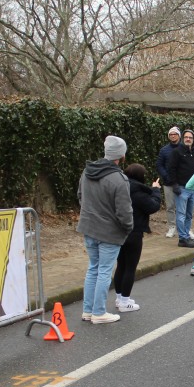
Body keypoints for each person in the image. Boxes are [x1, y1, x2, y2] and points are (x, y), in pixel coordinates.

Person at [78, 135, 134, 324]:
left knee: (93, 268)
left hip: (89, 227)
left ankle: (88, 310)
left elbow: (80, 196)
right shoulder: (119, 179)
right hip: (109, 232)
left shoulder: (87, 172)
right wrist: (128, 228)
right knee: (104, 271)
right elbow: (124, 211)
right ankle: (99, 312)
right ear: (121, 156)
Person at [113, 163, 161, 312]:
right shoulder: (139, 193)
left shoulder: (120, 188)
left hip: (119, 231)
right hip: (134, 232)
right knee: (130, 267)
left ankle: (119, 298)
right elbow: (153, 206)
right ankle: (125, 301)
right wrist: (156, 190)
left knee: (121, 265)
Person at [168, 129, 194, 247]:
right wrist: (174, 184)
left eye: (190, 137)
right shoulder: (176, 152)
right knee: (181, 214)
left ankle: (187, 236)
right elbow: (171, 169)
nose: (188, 139)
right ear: (182, 139)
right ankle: (182, 239)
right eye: (186, 137)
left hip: (193, 189)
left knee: (189, 215)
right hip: (181, 188)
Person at [155, 126, 181, 238]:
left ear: (179, 135)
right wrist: (166, 176)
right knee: (170, 206)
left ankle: (183, 228)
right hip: (168, 183)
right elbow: (159, 165)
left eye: (175, 134)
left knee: (182, 207)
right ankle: (172, 227)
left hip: (181, 183)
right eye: (171, 134)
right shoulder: (164, 150)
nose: (173, 136)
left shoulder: (184, 148)